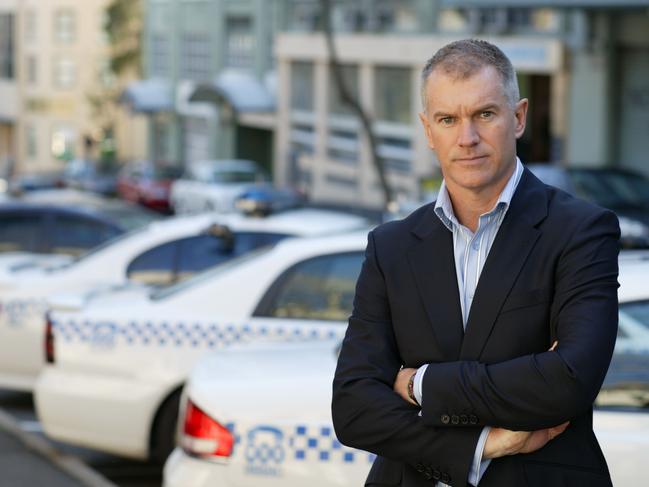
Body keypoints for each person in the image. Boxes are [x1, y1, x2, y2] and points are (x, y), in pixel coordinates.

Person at [332, 39, 619, 487]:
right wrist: (482, 445)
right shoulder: (391, 247)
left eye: (484, 114)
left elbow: (570, 380)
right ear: (428, 130)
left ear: (518, 117)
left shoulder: (581, 231)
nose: (467, 138)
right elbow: (353, 408)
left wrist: (418, 385)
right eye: (448, 119)